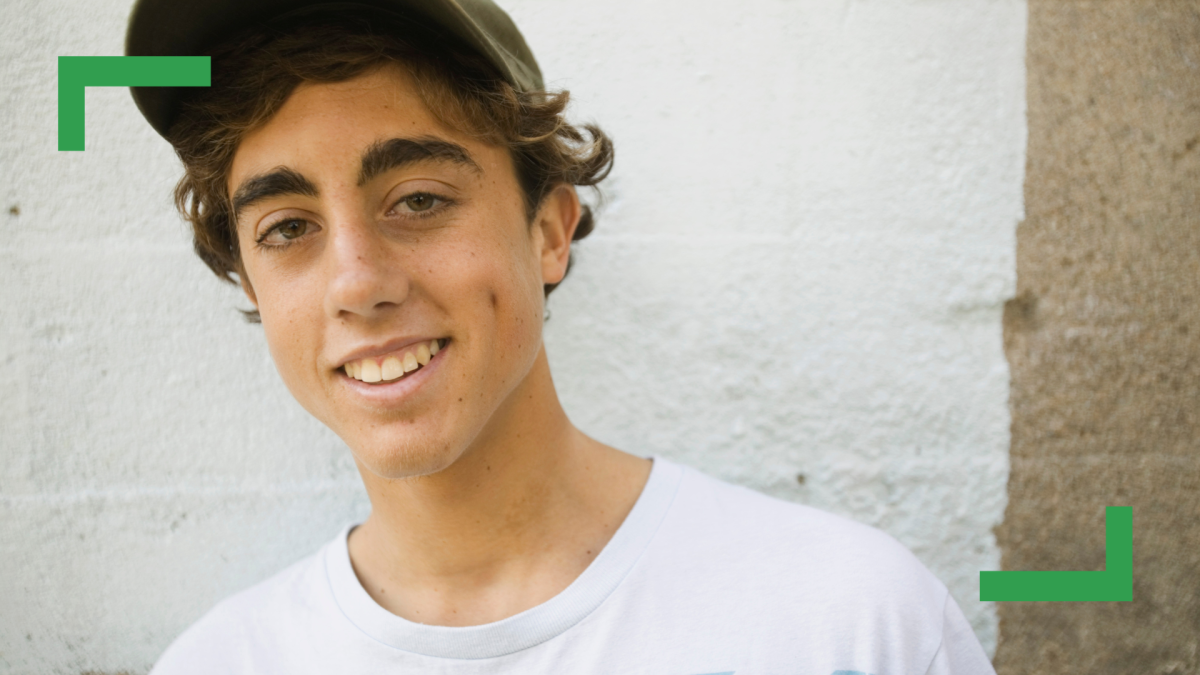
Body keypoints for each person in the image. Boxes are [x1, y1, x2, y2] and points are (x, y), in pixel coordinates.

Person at [126, 0, 996, 672]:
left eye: (419, 200)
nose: (357, 283)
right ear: (250, 280)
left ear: (548, 232)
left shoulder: (853, 622)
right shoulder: (216, 662)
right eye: (287, 227)